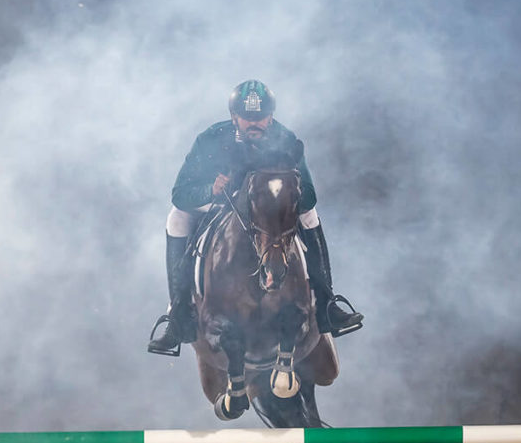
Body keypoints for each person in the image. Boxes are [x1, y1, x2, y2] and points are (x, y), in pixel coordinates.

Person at [147, 79, 364, 356]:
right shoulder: (210, 139)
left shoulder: (285, 139)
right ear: (234, 117)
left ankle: (327, 304)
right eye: (247, 118)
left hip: (269, 211)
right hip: (220, 205)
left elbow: (308, 195)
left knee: (309, 214)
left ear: (270, 116)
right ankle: (178, 315)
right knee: (176, 218)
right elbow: (180, 194)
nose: (254, 123)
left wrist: (289, 191)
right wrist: (209, 189)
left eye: (260, 118)